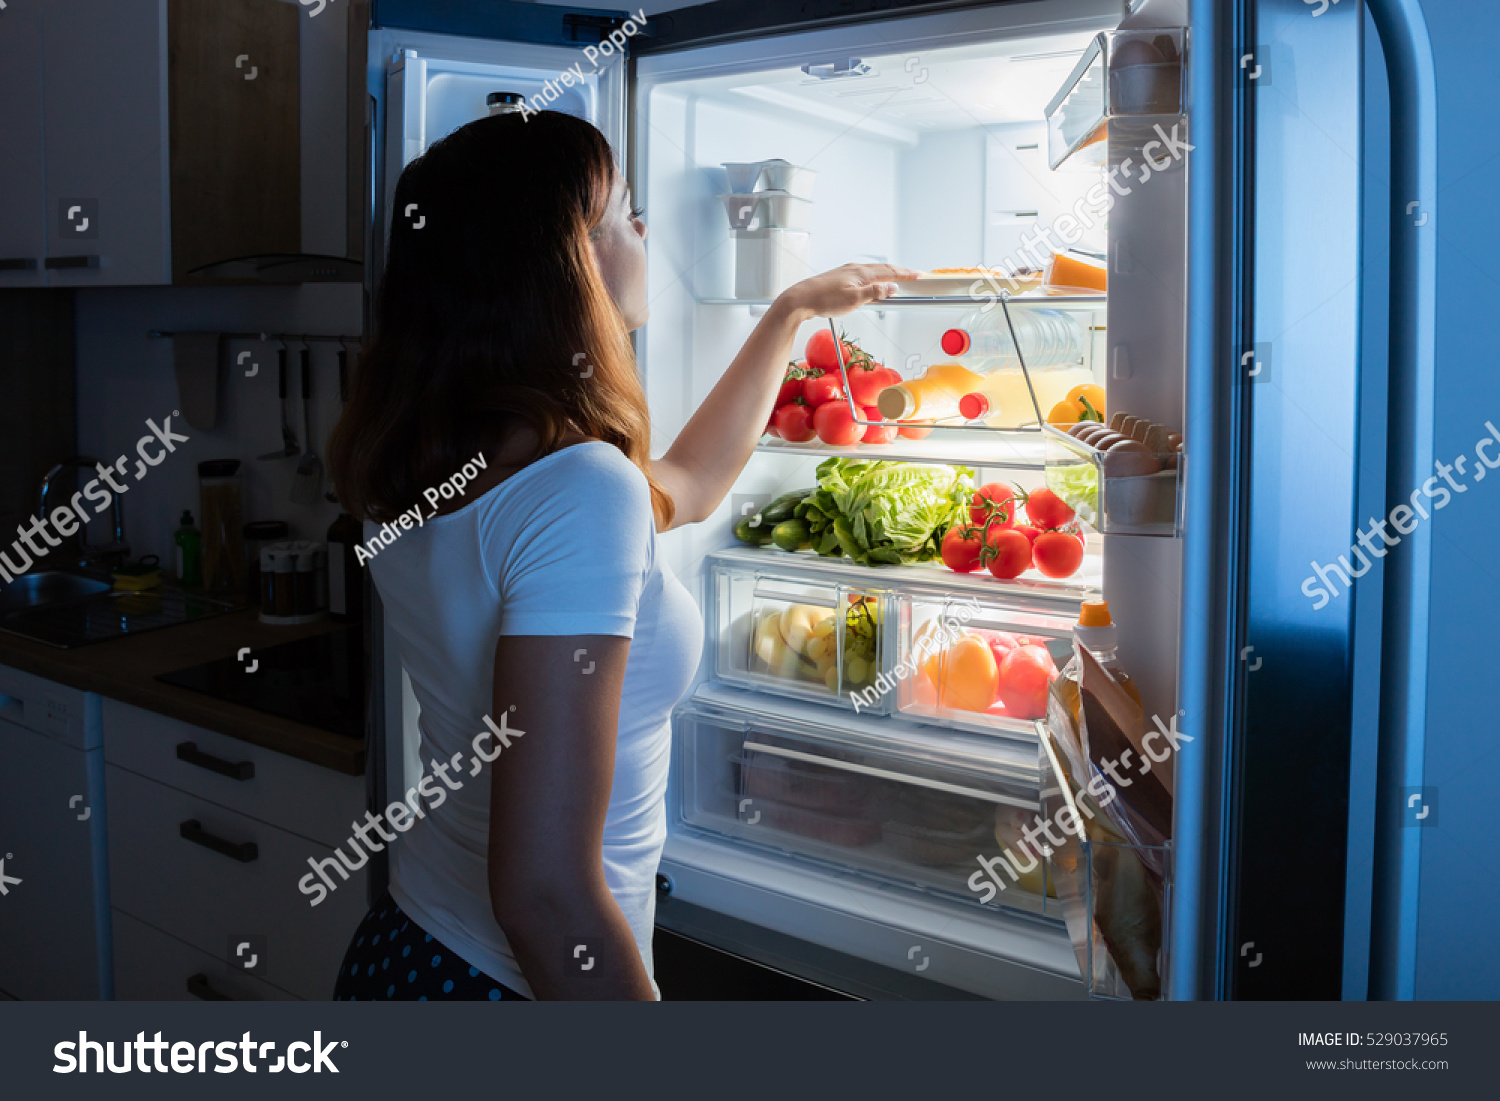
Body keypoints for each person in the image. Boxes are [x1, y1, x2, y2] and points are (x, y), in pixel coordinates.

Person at [325, 109, 912, 1000]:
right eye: (623, 214)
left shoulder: (421, 456)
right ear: (568, 260)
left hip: (409, 946)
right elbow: (544, 893)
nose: (643, 231)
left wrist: (789, 311)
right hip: (514, 982)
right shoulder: (578, 486)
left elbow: (690, 481)